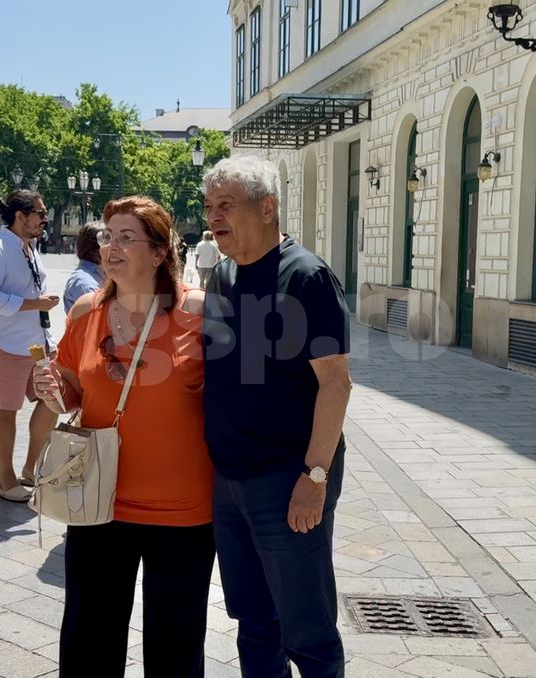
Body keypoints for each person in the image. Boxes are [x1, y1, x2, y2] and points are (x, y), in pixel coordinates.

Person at [33, 196, 215, 676]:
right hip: (99, 502)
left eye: (126, 237)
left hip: (183, 511)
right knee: (89, 643)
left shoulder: (201, 312)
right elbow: (71, 392)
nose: (110, 247)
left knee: (176, 649)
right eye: (107, 236)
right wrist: (51, 388)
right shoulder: (86, 311)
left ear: (159, 252)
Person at [201, 156, 352, 677]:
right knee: (254, 623)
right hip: (230, 481)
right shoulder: (221, 275)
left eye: (226, 205)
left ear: (267, 208)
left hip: (287, 479)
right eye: (209, 206)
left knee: (307, 631)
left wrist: (315, 477)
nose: (213, 216)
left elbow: (336, 383)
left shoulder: (306, 276)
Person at [0, 189, 60, 502]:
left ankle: (30, 468)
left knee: (52, 400)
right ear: (20, 216)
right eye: (40, 213)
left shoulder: (29, 247)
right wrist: (34, 304)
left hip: (35, 345)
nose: (44, 219)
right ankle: (5, 479)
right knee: (6, 409)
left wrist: (47, 337)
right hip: (5, 346)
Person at [62, 220, 105, 315]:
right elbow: (96, 319)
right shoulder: (84, 282)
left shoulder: (101, 275)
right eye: (108, 242)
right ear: (98, 249)